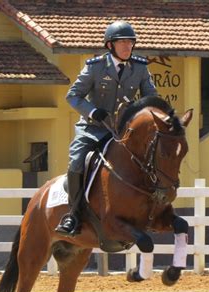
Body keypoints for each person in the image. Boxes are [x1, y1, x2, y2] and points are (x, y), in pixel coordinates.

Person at [55, 21, 158, 236]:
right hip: (93, 128)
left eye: (130, 42)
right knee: (76, 162)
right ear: (110, 45)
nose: (127, 47)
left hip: (123, 131)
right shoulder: (95, 67)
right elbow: (73, 96)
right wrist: (93, 112)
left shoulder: (140, 67)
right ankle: (73, 215)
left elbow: (151, 97)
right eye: (122, 42)